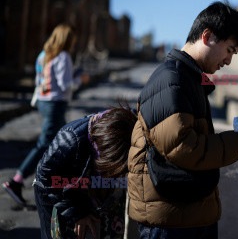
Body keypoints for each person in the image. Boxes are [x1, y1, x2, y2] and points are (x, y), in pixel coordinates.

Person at [128, 1, 238, 239]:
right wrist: (236, 141)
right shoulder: (171, 79)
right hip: (170, 222)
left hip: (186, 214)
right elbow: (182, 147)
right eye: (230, 50)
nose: (229, 61)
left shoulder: (188, 79)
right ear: (207, 36)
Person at [3, 24, 88, 205]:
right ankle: (16, 181)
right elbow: (66, 86)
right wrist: (80, 79)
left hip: (42, 102)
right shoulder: (64, 56)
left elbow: (37, 80)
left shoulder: (42, 55)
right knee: (47, 143)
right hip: (55, 104)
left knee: (60, 142)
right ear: (67, 40)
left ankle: (54, 182)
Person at [33, 106, 137, 239]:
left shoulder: (127, 125)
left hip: (89, 188)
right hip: (56, 192)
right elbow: (47, 178)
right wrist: (77, 214)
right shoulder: (69, 139)